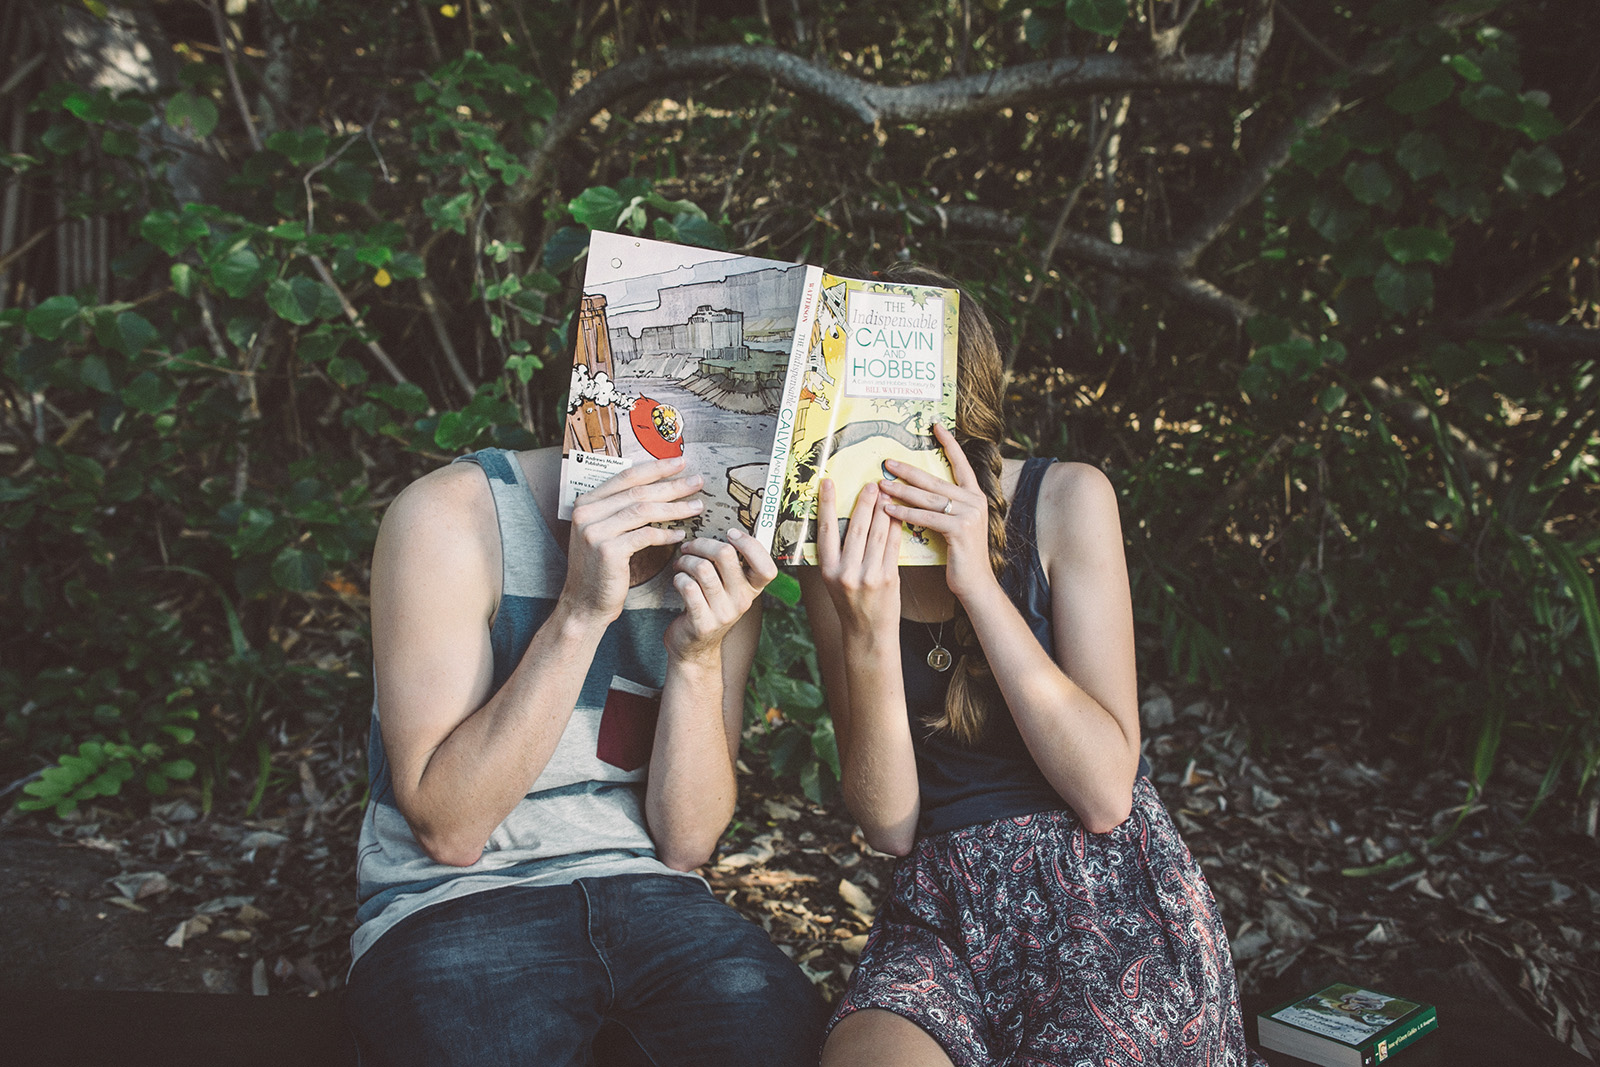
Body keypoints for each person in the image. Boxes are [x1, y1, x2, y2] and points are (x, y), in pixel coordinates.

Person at [800, 264, 1265, 1067]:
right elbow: (889, 825)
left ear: (957, 414)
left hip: (1101, 891)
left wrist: (978, 585)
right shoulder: (835, 553)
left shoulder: (1069, 498)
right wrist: (869, 631)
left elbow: (1105, 792)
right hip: (942, 905)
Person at [344, 445, 827, 1067]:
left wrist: (697, 657)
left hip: (657, 897)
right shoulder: (450, 514)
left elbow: (686, 842)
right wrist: (581, 612)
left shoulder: (726, 546)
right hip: (454, 899)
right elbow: (450, 831)